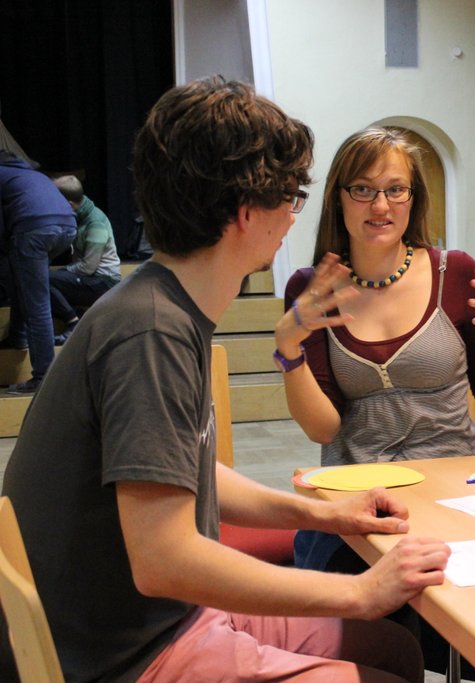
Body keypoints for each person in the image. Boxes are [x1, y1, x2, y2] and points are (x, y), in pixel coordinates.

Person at [0, 76, 449, 683]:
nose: (292, 216)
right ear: (246, 213)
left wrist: (328, 516)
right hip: (129, 654)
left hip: (158, 622)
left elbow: (190, 471)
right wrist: (359, 592)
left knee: (394, 648)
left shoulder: (164, 307)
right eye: (291, 197)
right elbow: (163, 562)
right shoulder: (150, 332)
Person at [276, 126, 475, 573]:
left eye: (396, 190)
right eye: (363, 190)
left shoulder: (456, 272)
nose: (381, 206)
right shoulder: (312, 288)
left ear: (413, 198)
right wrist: (289, 350)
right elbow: (323, 428)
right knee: (360, 597)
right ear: (338, 199)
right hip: (359, 498)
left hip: (453, 489)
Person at [0, 150, 77, 394]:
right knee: (24, 282)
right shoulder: (33, 174)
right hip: (66, 228)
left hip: (34, 230)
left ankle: (43, 376)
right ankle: (18, 336)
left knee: (37, 303)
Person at [50, 174, 122, 344]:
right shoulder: (79, 216)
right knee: (41, 281)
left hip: (103, 282)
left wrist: (62, 271)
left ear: (69, 204)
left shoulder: (95, 223)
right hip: (90, 278)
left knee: (45, 280)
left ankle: (73, 322)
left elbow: (88, 267)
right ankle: (79, 316)